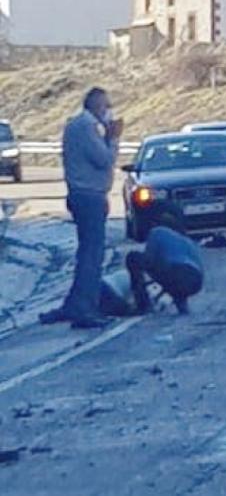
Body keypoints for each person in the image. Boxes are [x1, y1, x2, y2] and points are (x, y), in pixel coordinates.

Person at [40, 88, 123, 329]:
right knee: (92, 255)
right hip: (88, 197)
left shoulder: (81, 127)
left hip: (86, 195)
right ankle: (85, 309)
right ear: (97, 106)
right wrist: (114, 138)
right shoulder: (84, 128)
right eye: (107, 105)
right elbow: (104, 160)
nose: (109, 110)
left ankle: (75, 303)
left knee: (87, 253)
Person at [124, 224, 204, 315]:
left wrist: (144, 280)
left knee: (133, 257)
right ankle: (182, 305)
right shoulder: (185, 240)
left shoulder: (156, 232)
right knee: (172, 272)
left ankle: (142, 305)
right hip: (196, 281)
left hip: (177, 274)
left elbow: (149, 260)